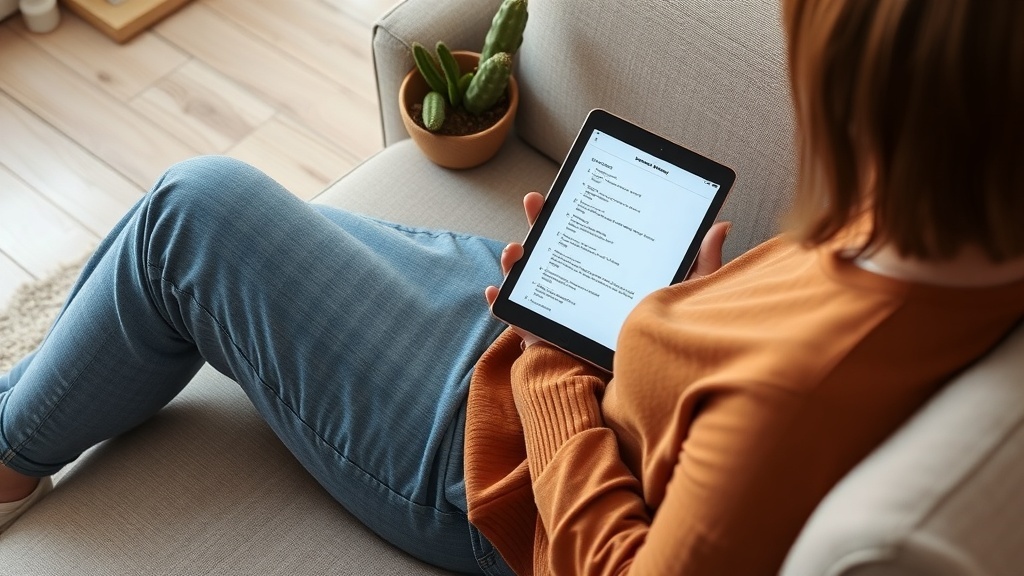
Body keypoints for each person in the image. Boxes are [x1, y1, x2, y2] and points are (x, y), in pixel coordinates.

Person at [2, 0, 1022, 573]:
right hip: (588, 366)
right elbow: (767, 338)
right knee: (208, 242)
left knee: (193, 213)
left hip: (499, 465)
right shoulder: (961, 225)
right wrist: (687, 310)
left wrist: (547, 367)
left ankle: (7, 459)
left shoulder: (796, 402)